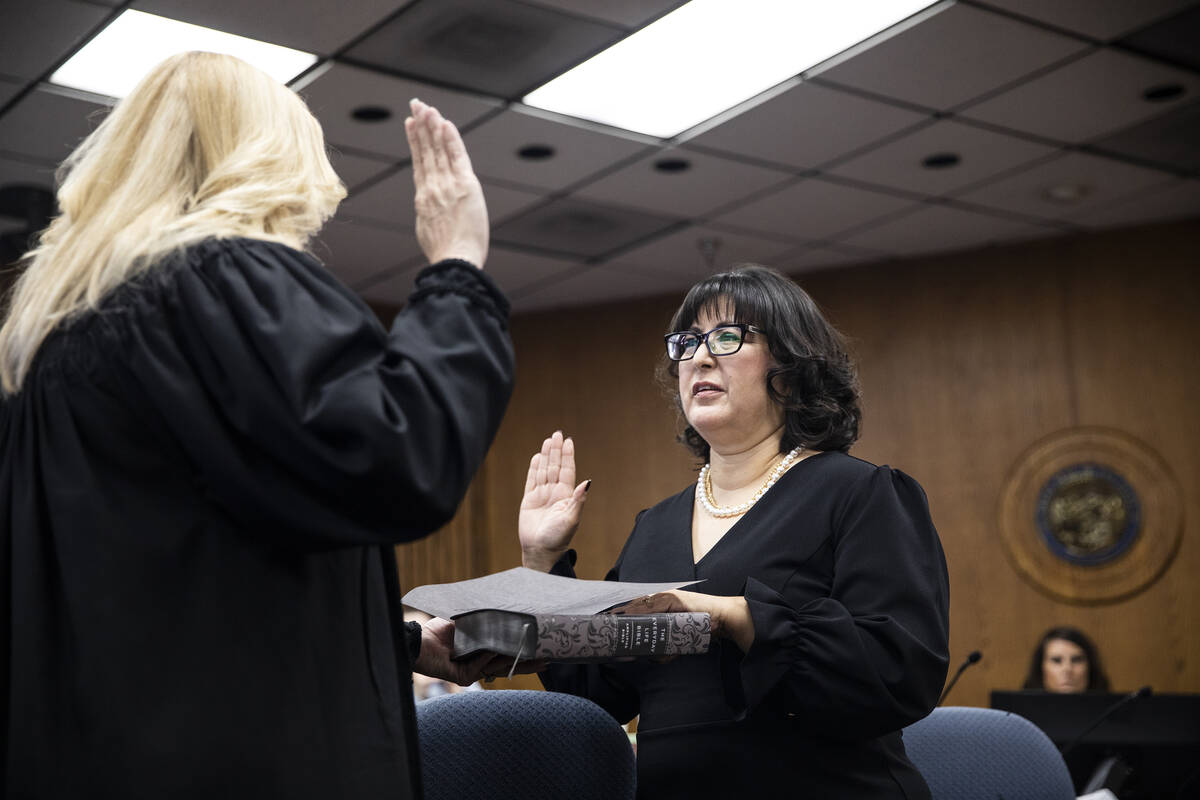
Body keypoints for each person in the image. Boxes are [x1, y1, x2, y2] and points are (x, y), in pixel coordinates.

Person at [0, 52, 521, 798]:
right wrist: (458, 268)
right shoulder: (219, 283)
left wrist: (399, 641)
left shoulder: (51, 347)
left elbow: (185, 570)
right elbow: (401, 456)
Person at [518, 266, 951, 798]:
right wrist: (543, 560)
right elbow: (598, 694)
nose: (699, 356)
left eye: (726, 337)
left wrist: (732, 615)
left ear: (791, 365)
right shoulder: (655, 526)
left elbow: (901, 672)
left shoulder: (861, 493)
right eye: (687, 342)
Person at [1022, 626, 1111, 693]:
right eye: (1057, 660)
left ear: (1090, 667)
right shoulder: (1019, 714)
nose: (1067, 669)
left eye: (1076, 660)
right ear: (1040, 667)